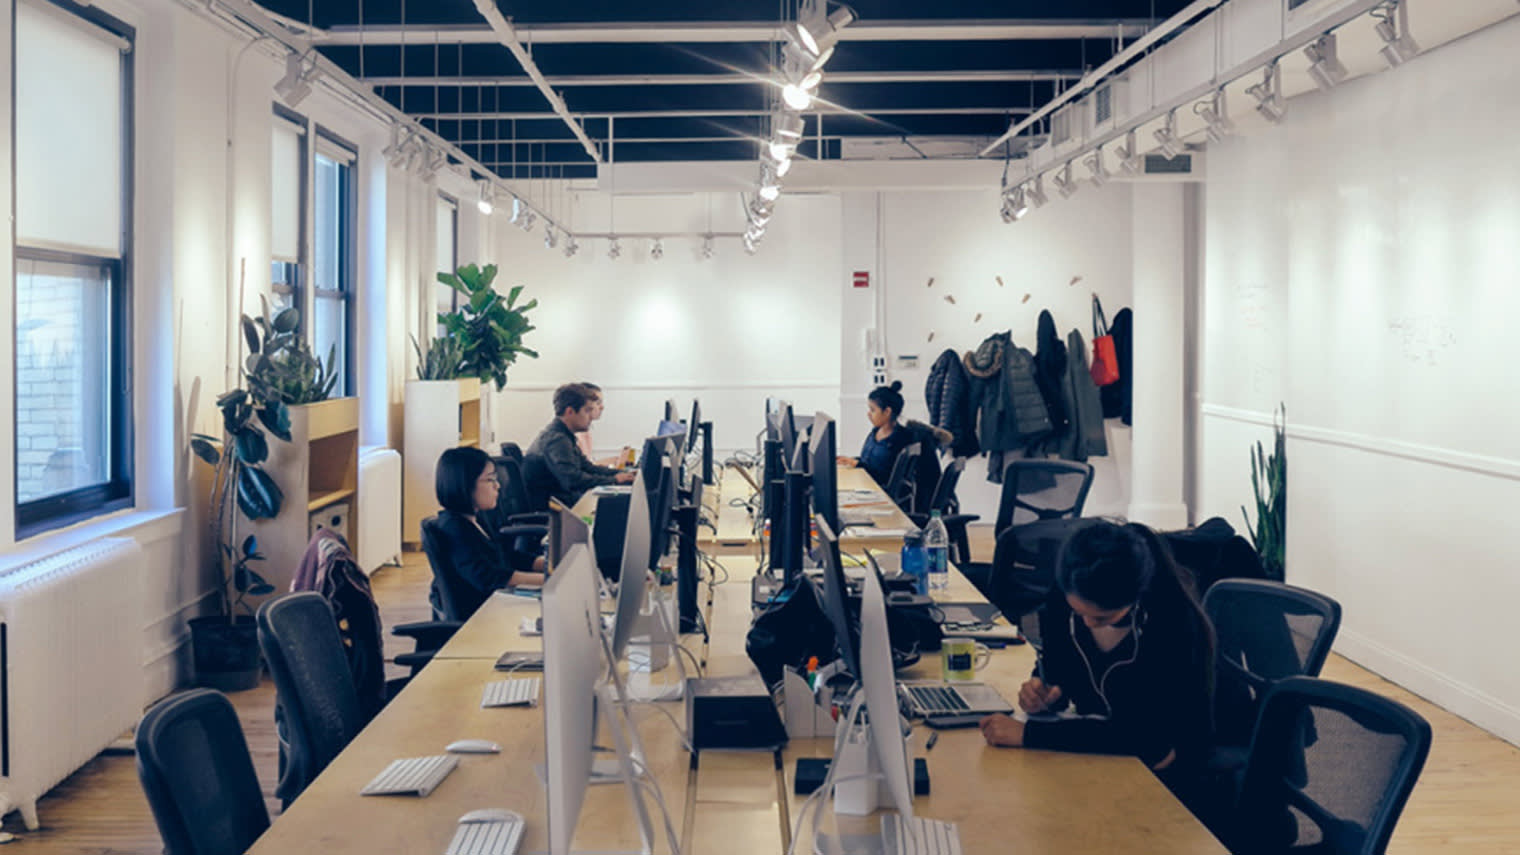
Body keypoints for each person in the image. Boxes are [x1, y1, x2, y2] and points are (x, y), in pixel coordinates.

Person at [978, 519, 1216, 810]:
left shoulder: (1174, 627)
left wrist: (1028, 734)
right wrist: (1047, 691)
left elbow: (1149, 741)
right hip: (1102, 759)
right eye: (1079, 613)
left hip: (1169, 784)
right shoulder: (1065, 596)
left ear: (1136, 597)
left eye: (1102, 618)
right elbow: (1060, 669)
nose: (1087, 623)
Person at [429, 447, 547, 619]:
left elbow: (506, 556)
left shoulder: (477, 518)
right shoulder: (455, 529)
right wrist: (549, 580)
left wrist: (548, 564)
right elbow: (489, 577)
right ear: (465, 485)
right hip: (481, 617)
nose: (497, 486)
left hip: (494, 603)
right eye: (490, 479)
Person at [525, 383, 636, 508]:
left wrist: (622, 474)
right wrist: (615, 479)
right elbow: (572, 480)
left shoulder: (564, 436)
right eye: (587, 411)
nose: (591, 416)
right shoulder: (557, 440)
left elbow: (587, 467)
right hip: (555, 511)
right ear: (570, 411)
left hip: (562, 504)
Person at [837, 381, 916, 489]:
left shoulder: (899, 440)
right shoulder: (875, 432)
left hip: (879, 491)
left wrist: (855, 463)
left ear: (887, 411)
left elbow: (884, 477)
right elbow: (867, 462)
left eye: (873, 410)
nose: (868, 414)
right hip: (866, 483)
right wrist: (849, 461)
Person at [575, 382, 630, 468]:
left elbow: (588, 464)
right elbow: (582, 470)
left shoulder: (585, 431)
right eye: (598, 403)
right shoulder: (577, 434)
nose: (602, 407)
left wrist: (616, 460)